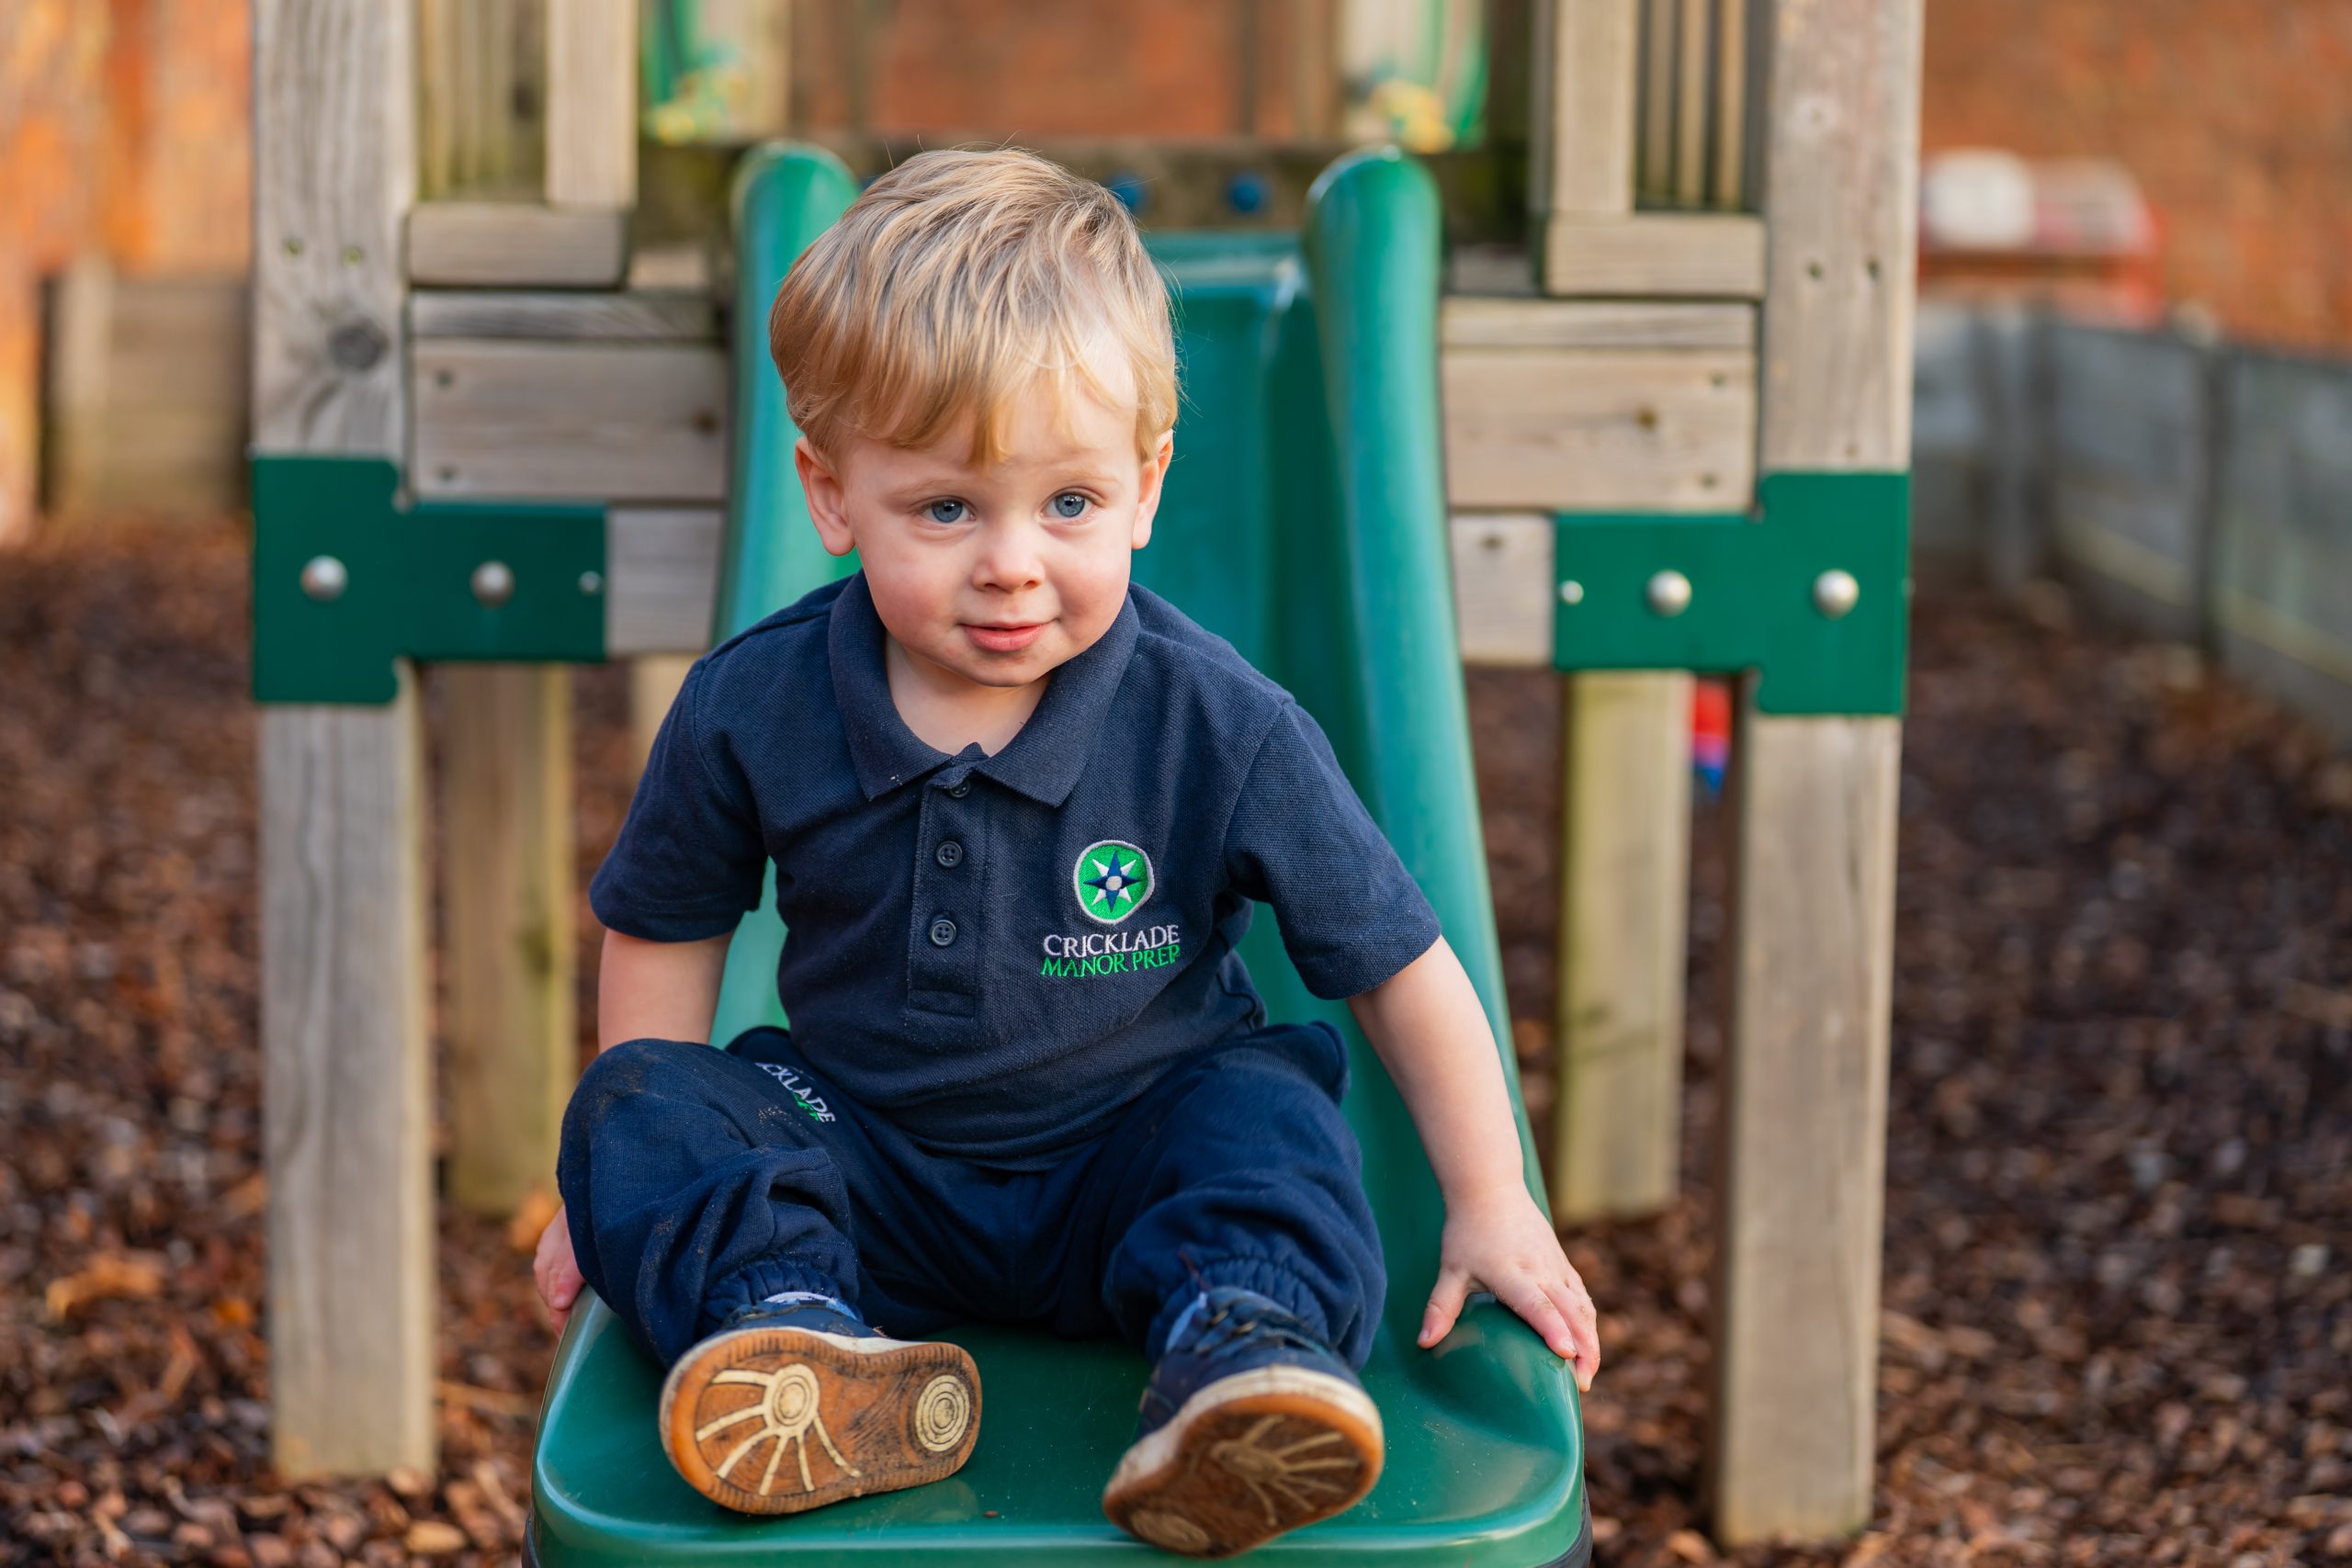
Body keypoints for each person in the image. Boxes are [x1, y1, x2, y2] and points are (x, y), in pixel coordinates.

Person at [533, 147, 1600, 1558]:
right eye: (946, 509)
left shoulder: (1220, 723)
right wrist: (627, 1199)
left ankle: (1241, 1355)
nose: (1013, 563)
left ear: (1150, 486)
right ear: (832, 495)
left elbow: (1399, 963)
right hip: (870, 1171)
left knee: (1270, 1120)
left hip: (1133, 1161)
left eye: (1071, 505)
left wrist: (1488, 1199)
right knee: (642, 1108)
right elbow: (664, 929)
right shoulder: (753, 704)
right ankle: (792, 1339)